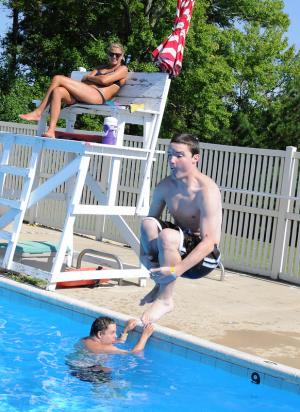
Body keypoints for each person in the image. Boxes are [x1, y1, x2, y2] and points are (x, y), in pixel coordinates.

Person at [140, 133, 222, 325]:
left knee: (168, 236)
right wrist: (143, 255)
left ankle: (165, 299)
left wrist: (176, 270)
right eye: (169, 155)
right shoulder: (165, 186)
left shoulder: (206, 191)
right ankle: (160, 285)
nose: (172, 160)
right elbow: (150, 226)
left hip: (204, 259)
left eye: (178, 155)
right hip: (178, 248)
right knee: (148, 223)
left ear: (195, 158)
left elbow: (210, 242)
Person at [19, 43, 128, 138]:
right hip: (84, 94)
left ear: (122, 56)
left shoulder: (122, 69)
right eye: (111, 54)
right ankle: (51, 130)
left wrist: (90, 78)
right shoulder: (100, 68)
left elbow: (104, 81)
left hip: (98, 96)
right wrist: (91, 79)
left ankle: (38, 112)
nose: (114, 56)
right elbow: (83, 79)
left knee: (58, 78)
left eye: (117, 55)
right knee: (57, 91)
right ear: (108, 55)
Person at [66, 317, 154, 382]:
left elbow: (118, 341)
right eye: (112, 333)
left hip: (74, 367)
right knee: (119, 384)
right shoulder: (104, 348)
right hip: (86, 372)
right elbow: (134, 353)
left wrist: (126, 330)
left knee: (105, 369)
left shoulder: (86, 340)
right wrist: (145, 335)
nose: (115, 335)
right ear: (100, 334)